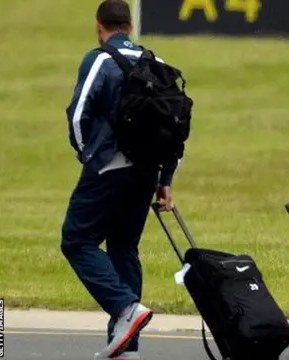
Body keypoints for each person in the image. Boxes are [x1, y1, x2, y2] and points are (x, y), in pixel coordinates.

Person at [60, 1, 178, 359]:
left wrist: (89, 156)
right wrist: (165, 178)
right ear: (130, 25)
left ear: (100, 26)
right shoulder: (155, 62)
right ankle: (127, 347)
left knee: (77, 241)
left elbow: (79, 113)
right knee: (124, 248)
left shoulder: (98, 58)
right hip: (148, 172)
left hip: (109, 167)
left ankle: (126, 309)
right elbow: (173, 123)